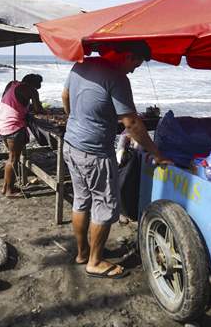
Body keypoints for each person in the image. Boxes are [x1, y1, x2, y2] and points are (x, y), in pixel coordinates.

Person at [61, 41, 171, 279]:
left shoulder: (82, 64)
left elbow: (65, 95)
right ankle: (95, 262)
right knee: (104, 205)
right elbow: (131, 123)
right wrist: (156, 153)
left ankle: (82, 254)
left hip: (71, 144)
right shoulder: (118, 78)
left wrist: (74, 121)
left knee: (81, 200)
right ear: (129, 56)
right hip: (95, 152)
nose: (134, 70)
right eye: (136, 64)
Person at [0, 73, 44, 197]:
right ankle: (8, 191)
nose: (38, 88)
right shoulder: (31, 90)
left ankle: (6, 187)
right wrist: (38, 106)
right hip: (13, 125)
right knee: (13, 159)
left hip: (1, 122)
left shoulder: (12, 84)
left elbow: (9, 100)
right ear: (33, 84)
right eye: (38, 86)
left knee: (12, 157)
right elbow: (38, 110)